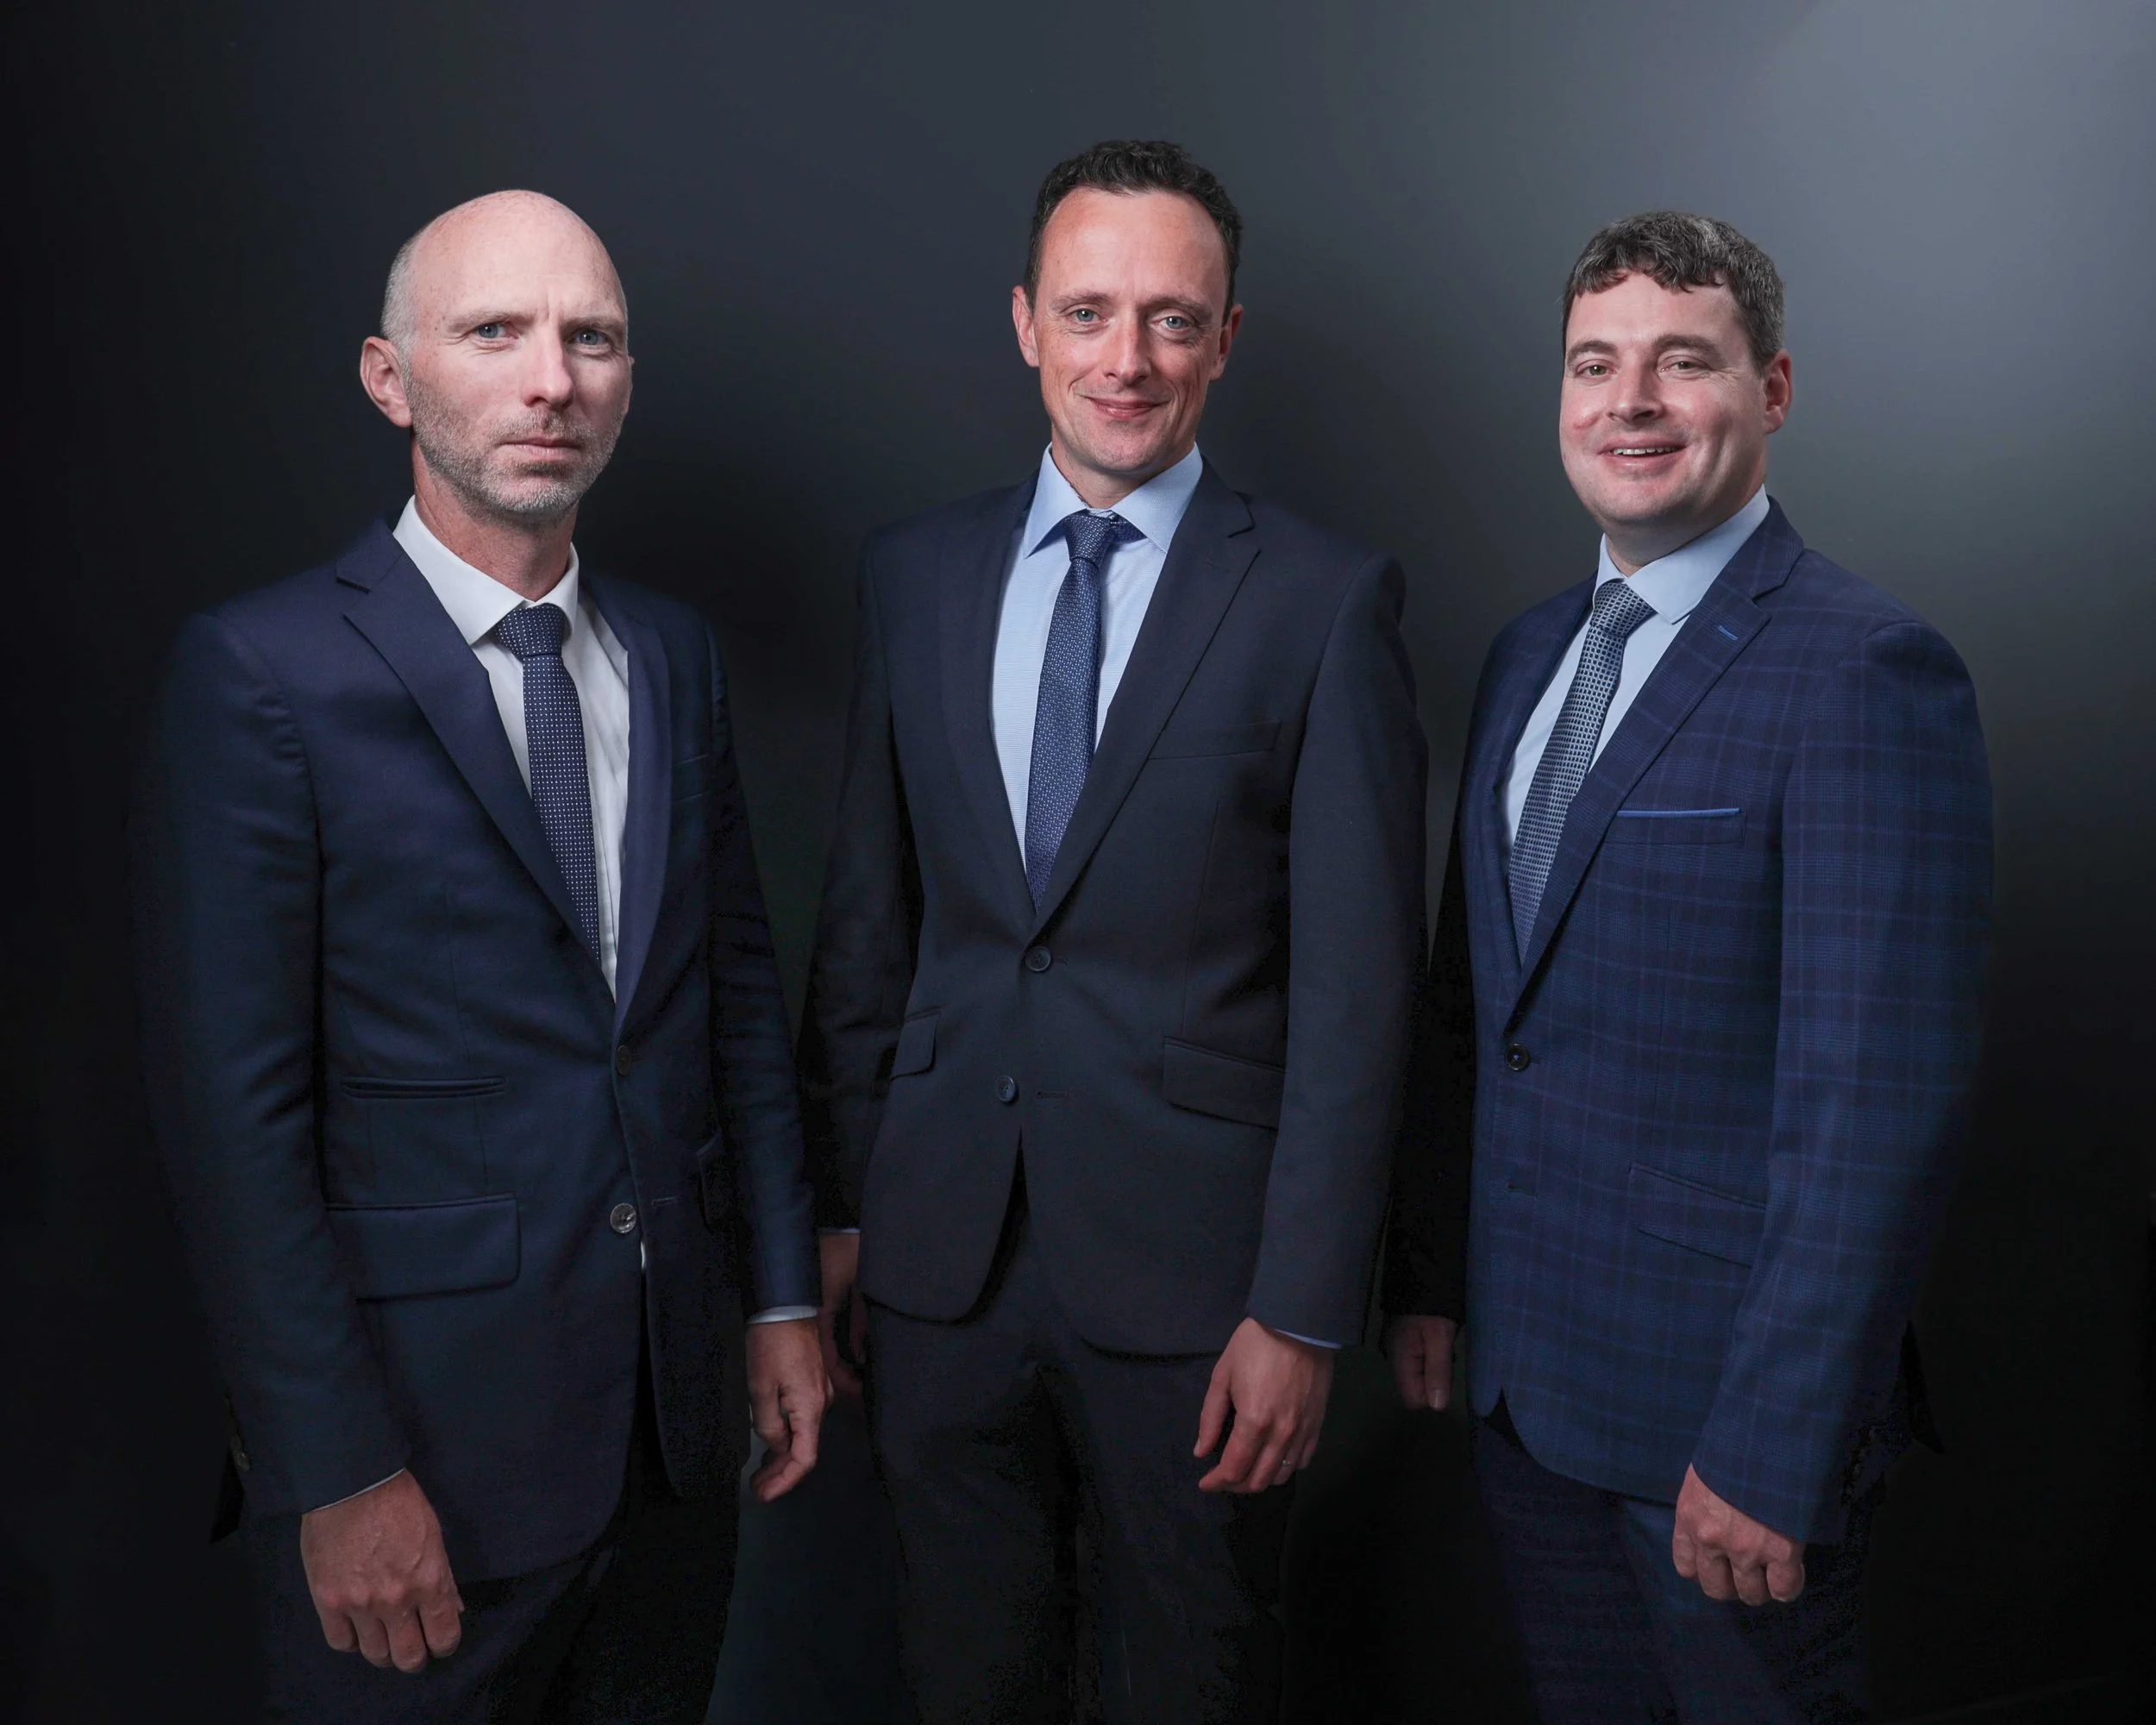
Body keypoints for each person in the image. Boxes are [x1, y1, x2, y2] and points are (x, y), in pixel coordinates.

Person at [131, 190, 829, 1721]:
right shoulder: (262, 676)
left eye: (593, 339)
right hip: (418, 1480)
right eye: (496, 332)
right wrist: (334, 1472)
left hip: (670, 1443)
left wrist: (782, 1302)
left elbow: (732, 1007)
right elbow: (232, 1128)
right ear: (391, 377)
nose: (551, 378)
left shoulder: (673, 656)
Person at [798, 141, 1426, 1723]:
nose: (1124, 360)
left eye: (1168, 318)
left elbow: (1360, 997)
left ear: (1225, 339)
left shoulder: (1323, 601)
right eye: (1088, 312)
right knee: (964, 1678)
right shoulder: (915, 577)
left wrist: (1299, 1307)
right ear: (1025, 323)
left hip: (1204, 1296)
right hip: (939, 1271)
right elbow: (870, 926)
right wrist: (843, 1213)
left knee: (1192, 1687)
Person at [1383, 211, 1992, 1722]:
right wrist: (1438, 1280)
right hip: (1532, 1393)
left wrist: (1773, 1447)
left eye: (1683, 361)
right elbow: (1483, 1010)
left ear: (1772, 389)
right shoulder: (1527, 655)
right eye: (1595, 364)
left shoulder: (1862, 670)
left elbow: (1873, 1112)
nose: (1630, 400)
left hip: (1720, 1437)